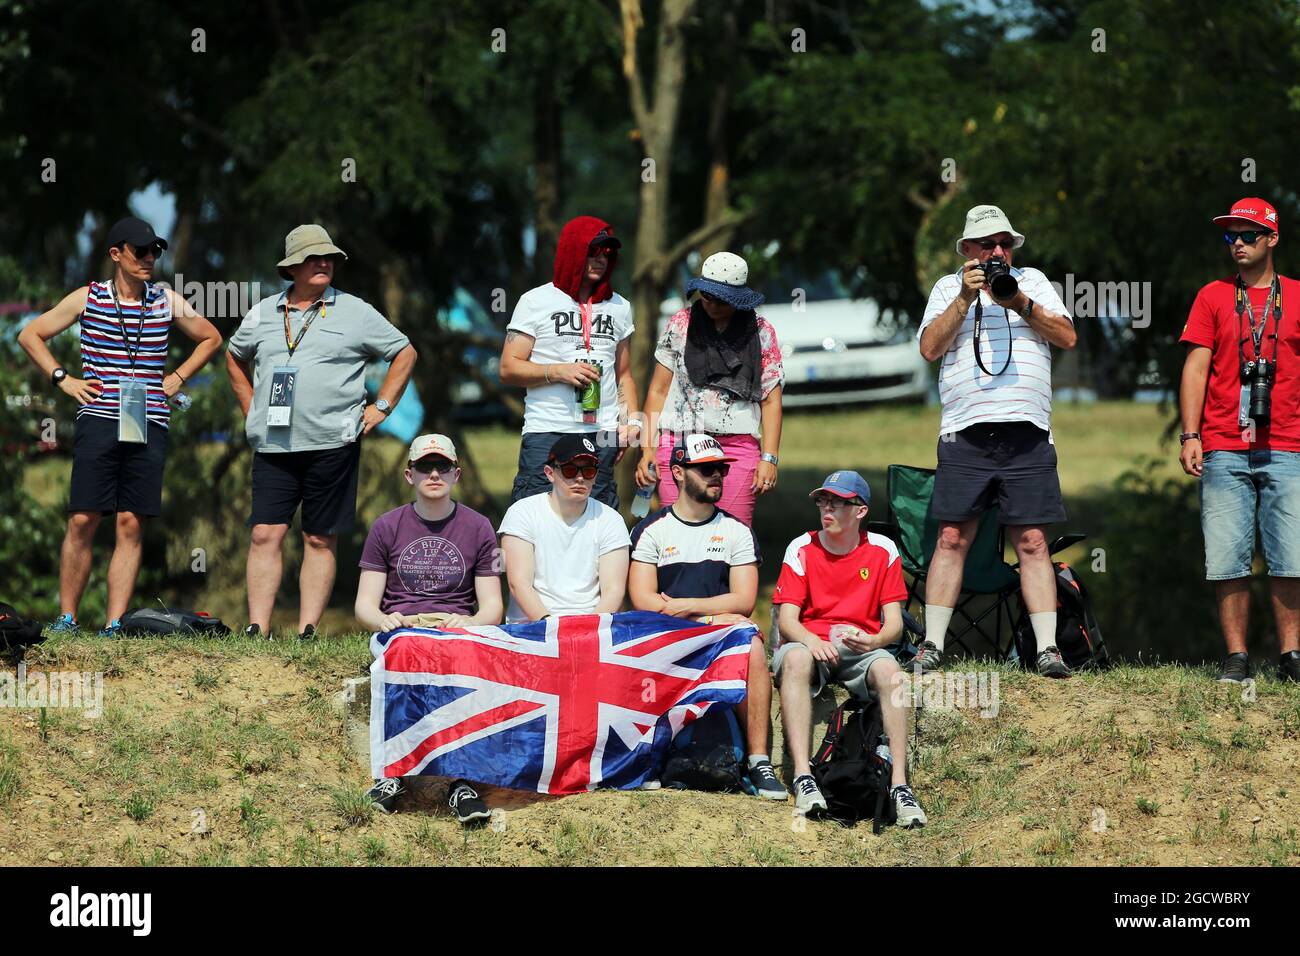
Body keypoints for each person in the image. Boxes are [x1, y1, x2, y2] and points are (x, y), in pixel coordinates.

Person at [17, 216, 222, 635]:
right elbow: (30, 335)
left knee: (131, 522)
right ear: (116, 254)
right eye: (140, 251)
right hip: (99, 417)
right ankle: (68, 618)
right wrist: (64, 379)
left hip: (149, 421)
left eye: (155, 251)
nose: (150, 258)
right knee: (83, 519)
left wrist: (177, 378)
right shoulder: (88, 297)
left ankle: (114, 624)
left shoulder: (165, 300)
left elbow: (211, 337)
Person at [226, 225, 417, 640]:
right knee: (264, 533)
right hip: (273, 445)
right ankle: (256, 628)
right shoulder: (261, 312)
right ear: (293, 266)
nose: (325, 263)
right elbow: (233, 356)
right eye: (315, 258)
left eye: (329, 258)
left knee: (318, 537)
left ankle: (307, 631)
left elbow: (404, 351)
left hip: (334, 443)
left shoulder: (356, 310)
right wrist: (250, 409)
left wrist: (381, 407)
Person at [915, 204, 1077, 677]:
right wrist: (965, 301)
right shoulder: (949, 287)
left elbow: (1067, 336)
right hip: (966, 431)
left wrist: (1020, 302)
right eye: (987, 245)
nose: (998, 252)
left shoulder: (1035, 280)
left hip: (1027, 430)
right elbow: (929, 349)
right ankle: (931, 645)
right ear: (967, 250)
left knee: (1031, 540)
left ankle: (1048, 650)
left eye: (1004, 243)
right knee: (951, 536)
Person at [1178, 197, 1300, 684]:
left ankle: (1291, 656)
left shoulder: (1295, 295)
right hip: (1225, 443)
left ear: (1272, 238)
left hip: (1288, 442)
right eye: (1231, 236)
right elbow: (1196, 368)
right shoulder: (1211, 296)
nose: (1239, 244)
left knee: (1289, 552)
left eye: (1249, 235)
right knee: (1227, 555)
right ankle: (1236, 658)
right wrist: (1191, 433)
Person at [627, 433, 786, 800]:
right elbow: (644, 601)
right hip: (669, 635)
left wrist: (691, 611)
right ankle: (648, 758)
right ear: (678, 472)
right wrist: (707, 615)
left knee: (752, 646)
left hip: (714, 635)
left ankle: (759, 761)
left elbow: (744, 600)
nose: (717, 476)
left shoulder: (736, 531)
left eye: (721, 469)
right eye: (706, 469)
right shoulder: (651, 530)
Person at [358, 434, 501, 824]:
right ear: (409, 474)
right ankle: (393, 776)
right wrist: (382, 620)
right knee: (407, 653)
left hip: (456, 627)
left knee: (464, 657)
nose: (433, 473)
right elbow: (364, 605)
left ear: (457, 473)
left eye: (442, 467)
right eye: (424, 466)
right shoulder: (386, 526)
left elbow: (492, 606)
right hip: (403, 626)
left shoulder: (479, 526)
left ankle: (462, 783)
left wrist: (470, 623)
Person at [770, 471, 926, 827]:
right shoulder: (801, 547)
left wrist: (874, 642)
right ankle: (804, 778)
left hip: (862, 645)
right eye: (823, 501)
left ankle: (900, 786)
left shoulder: (883, 550)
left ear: (860, 511)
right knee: (793, 657)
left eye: (838, 502)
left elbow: (894, 624)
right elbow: (787, 622)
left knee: (892, 673)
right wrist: (812, 641)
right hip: (811, 643)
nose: (827, 508)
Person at [499, 216, 640, 510]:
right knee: (535, 520)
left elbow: (624, 374)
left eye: (607, 253)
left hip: (600, 431)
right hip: (548, 430)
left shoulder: (620, 307)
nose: (601, 259)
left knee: (598, 524)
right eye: (593, 251)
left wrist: (631, 424)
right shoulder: (535, 301)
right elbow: (509, 368)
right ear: (573, 251)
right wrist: (558, 371)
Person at [636, 252, 785, 527]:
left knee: (734, 537)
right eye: (707, 296)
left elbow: (771, 401)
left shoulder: (761, 332)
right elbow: (658, 391)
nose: (712, 305)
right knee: (676, 535)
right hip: (678, 445)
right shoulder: (680, 323)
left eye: (721, 299)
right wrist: (647, 449)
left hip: (736, 448)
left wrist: (770, 458)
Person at [499, 433, 630, 623]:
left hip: (590, 628)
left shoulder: (611, 520)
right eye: (570, 470)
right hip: (532, 627)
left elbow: (614, 591)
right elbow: (518, 584)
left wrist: (585, 630)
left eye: (588, 471)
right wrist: (551, 626)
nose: (580, 478)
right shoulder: (522, 513)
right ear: (549, 473)